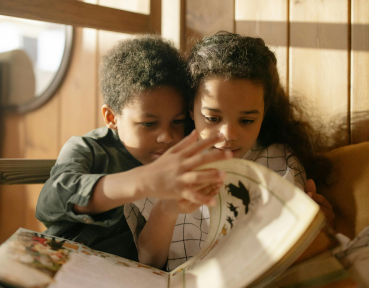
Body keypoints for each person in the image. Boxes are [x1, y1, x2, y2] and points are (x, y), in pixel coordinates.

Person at [127, 32, 335, 271]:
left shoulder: (280, 162)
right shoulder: (164, 163)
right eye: (213, 118)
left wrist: (318, 229)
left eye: (246, 120)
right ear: (191, 110)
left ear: (264, 112)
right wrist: (166, 209)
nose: (229, 134)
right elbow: (148, 260)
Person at [35, 35, 232, 262]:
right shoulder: (89, 148)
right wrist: (143, 180)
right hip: (62, 264)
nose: (167, 136)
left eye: (177, 121)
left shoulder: (186, 155)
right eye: (148, 124)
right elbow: (51, 200)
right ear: (112, 117)